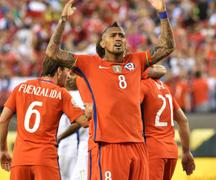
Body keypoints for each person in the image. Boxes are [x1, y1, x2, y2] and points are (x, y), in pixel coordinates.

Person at [45, 0, 175, 179]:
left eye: (121, 36)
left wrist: (162, 14)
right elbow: (53, 52)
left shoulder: (136, 60)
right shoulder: (89, 64)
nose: (118, 38)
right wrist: (63, 20)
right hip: (108, 145)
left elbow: (167, 47)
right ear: (103, 43)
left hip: (137, 144)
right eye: (113, 35)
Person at [0, 59, 89, 180]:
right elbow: (85, 121)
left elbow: (2, 121)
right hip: (45, 160)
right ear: (59, 71)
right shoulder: (61, 94)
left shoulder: (20, 88)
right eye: (67, 71)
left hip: (20, 159)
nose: (68, 76)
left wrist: (3, 150)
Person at [140, 65, 195, 180]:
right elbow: (183, 120)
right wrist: (186, 152)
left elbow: (130, 110)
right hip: (171, 150)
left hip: (152, 149)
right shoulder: (165, 87)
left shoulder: (141, 86)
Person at [57, 71, 90, 180]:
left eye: (73, 75)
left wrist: (60, 137)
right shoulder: (61, 93)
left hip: (77, 146)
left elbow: (82, 120)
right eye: (69, 74)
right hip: (62, 146)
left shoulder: (81, 95)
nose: (69, 78)